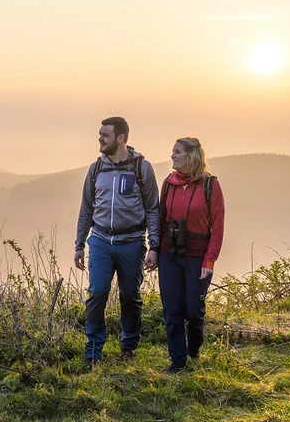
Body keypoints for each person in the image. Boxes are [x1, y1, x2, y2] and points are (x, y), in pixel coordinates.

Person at [75, 117, 160, 369]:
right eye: (100, 134)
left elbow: (153, 209)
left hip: (132, 241)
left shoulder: (141, 168)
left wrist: (154, 245)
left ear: (121, 138)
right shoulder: (96, 169)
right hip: (100, 239)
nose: (100, 139)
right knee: (97, 294)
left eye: (106, 135)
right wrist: (79, 243)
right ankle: (93, 353)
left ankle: (129, 348)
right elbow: (86, 208)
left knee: (129, 296)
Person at [158, 137, 226, 373]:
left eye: (177, 152)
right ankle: (177, 361)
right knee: (172, 309)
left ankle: (194, 350)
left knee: (193, 311)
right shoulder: (168, 183)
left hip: (198, 258)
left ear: (191, 156)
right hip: (169, 255)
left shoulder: (210, 185)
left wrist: (210, 260)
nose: (172, 156)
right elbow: (160, 220)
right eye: (172, 152)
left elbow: (218, 226)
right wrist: (154, 251)